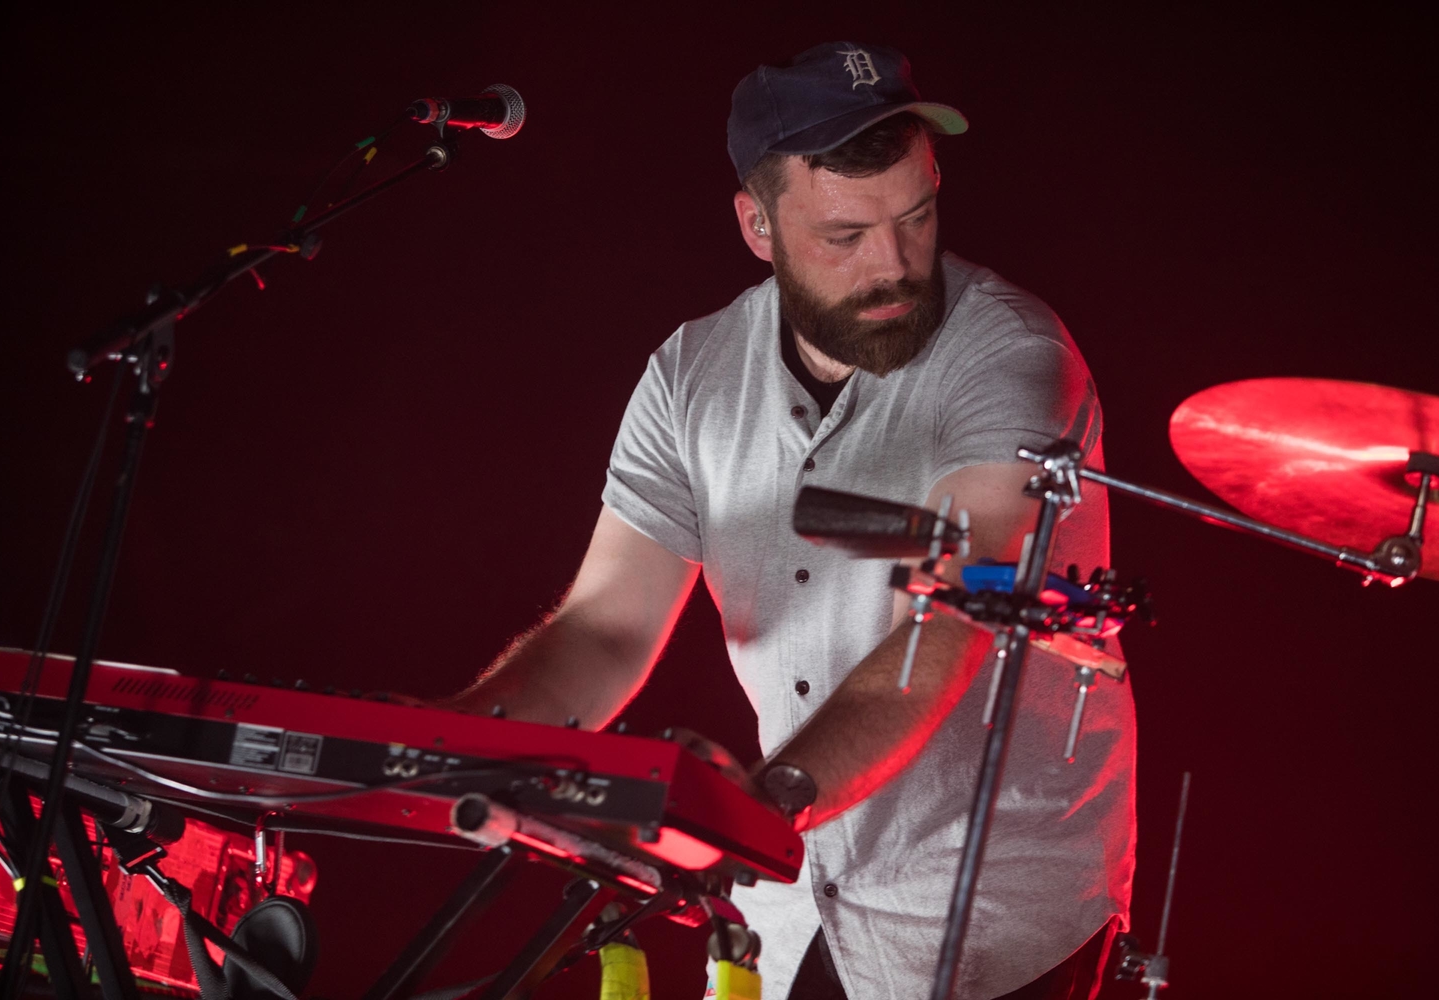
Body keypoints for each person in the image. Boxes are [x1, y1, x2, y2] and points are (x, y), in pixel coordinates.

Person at [448, 42, 1136, 1000]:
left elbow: (949, 624)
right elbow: (605, 627)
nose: (894, 263)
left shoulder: (1013, 357)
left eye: (918, 215)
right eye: (845, 236)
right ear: (757, 225)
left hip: (989, 913)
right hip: (785, 904)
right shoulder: (690, 377)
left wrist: (757, 805)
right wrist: (448, 751)